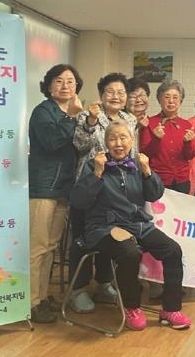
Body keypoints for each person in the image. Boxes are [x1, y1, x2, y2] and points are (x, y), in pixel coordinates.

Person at [70, 120, 191, 331]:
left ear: (132, 140)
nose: (118, 143)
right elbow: (79, 201)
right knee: (130, 253)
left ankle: (171, 309)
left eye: (123, 137)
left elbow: (154, 195)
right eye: (112, 138)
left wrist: (147, 171)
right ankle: (132, 307)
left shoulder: (136, 165)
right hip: (103, 227)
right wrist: (97, 173)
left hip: (136, 224)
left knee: (173, 250)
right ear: (106, 143)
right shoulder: (93, 165)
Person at [70, 72, 136, 313]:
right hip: (89, 185)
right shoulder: (88, 116)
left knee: (112, 235)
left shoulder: (129, 119)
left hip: (116, 191)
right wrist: (90, 121)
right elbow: (80, 144)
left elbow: (130, 152)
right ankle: (78, 290)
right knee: (82, 240)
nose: (116, 96)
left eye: (121, 92)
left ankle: (103, 284)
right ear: (101, 95)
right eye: (110, 91)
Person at [28, 64, 84, 323]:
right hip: (43, 187)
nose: (65, 86)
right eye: (59, 81)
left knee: (51, 247)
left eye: (70, 81)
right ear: (49, 86)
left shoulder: (72, 113)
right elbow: (51, 142)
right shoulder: (43, 111)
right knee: (38, 248)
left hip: (63, 188)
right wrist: (71, 118)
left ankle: (42, 297)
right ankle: (31, 302)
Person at [140, 80, 195, 194]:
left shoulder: (187, 125)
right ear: (159, 99)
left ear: (180, 101)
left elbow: (190, 156)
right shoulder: (149, 123)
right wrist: (156, 139)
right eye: (167, 97)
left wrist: (188, 142)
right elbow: (144, 154)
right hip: (158, 179)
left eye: (175, 97)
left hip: (182, 180)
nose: (171, 101)